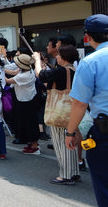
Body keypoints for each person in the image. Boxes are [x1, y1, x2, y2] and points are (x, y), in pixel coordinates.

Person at [66, 14, 108, 206]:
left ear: (87, 36)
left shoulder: (90, 62)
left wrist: (71, 132)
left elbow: (80, 103)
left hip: (104, 131)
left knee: (104, 183)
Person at [35, 45, 79, 184]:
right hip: (72, 110)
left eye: (58, 55)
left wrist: (37, 60)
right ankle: (74, 172)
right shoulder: (73, 70)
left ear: (64, 57)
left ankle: (65, 175)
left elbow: (40, 75)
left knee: (61, 144)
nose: (56, 57)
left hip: (59, 112)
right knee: (71, 143)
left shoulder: (61, 70)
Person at [5, 54, 40, 155]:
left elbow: (8, 80)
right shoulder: (28, 69)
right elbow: (13, 72)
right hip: (27, 99)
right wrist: (1, 68)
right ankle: (32, 143)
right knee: (26, 123)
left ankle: (35, 146)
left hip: (26, 101)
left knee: (30, 124)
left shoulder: (24, 75)